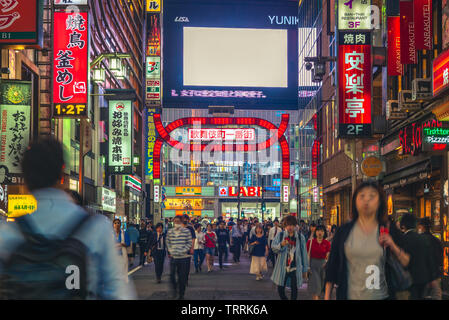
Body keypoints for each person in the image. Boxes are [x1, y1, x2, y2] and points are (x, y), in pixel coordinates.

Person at [0, 138, 135, 299]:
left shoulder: (8, 234)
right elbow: (118, 292)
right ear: (62, 175)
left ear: (26, 181)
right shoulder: (95, 228)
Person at [324, 182, 408, 300]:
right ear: (355, 201)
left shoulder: (388, 229)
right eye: (362, 196)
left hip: (381, 296)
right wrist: (327, 296)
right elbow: (333, 266)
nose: (366, 200)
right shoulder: (344, 231)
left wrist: (392, 245)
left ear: (379, 202)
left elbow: (406, 261)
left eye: (372, 196)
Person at [271, 216, 308, 300]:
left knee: (294, 289)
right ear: (285, 226)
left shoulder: (300, 237)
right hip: (283, 267)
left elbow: (304, 253)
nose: (290, 227)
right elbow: (273, 248)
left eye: (292, 225)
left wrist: (305, 268)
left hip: (295, 267)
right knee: (280, 289)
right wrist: (281, 245)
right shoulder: (280, 235)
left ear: (295, 225)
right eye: (288, 225)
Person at [399, 214, 435, 300]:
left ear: (403, 225)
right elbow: (429, 259)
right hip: (423, 278)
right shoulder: (423, 239)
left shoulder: (403, 239)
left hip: (409, 279)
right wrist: (432, 277)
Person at [166, 216, 192, 300]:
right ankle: (174, 291)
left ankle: (181, 294)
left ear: (181, 222)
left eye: (178, 221)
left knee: (182, 277)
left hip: (184, 257)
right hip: (174, 257)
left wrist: (184, 250)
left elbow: (189, 242)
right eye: (175, 221)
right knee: (172, 276)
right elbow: (168, 242)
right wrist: (170, 250)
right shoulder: (170, 231)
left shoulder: (186, 231)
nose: (176, 223)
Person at [417, 217, 444, 300]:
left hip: (423, 276)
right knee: (436, 296)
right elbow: (440, 259)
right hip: (435, 276)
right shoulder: (437, 241)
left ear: (421, 226)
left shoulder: (419, 240)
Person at [307, 225, 331, 300]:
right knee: (317, 286)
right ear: (315, 232)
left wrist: (326, 262)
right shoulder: (310, 242)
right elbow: (307, 255)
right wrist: (307, 267)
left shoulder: (326, 243)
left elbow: (328, 255)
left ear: (324, 233)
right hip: (313, 266)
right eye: (318, 231)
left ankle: (316, 297)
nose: (320, 232)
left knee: (320, 287)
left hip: (323, 266)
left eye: (322, 231)